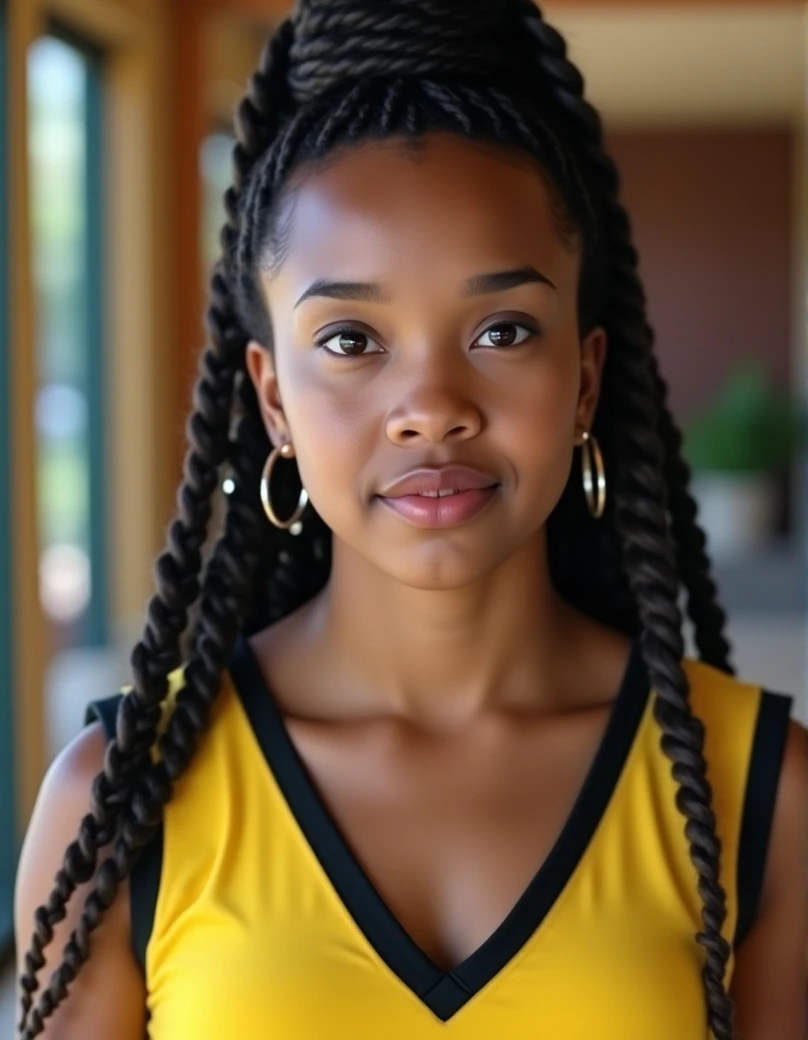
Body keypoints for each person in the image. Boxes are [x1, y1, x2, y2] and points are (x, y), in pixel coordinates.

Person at [13, 1, 807, 1037]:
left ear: (583, 377)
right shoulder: (121, 798)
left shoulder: (761, 790)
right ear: (272, 400)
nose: (432, 403)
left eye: (503, 327)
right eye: (349, 339)